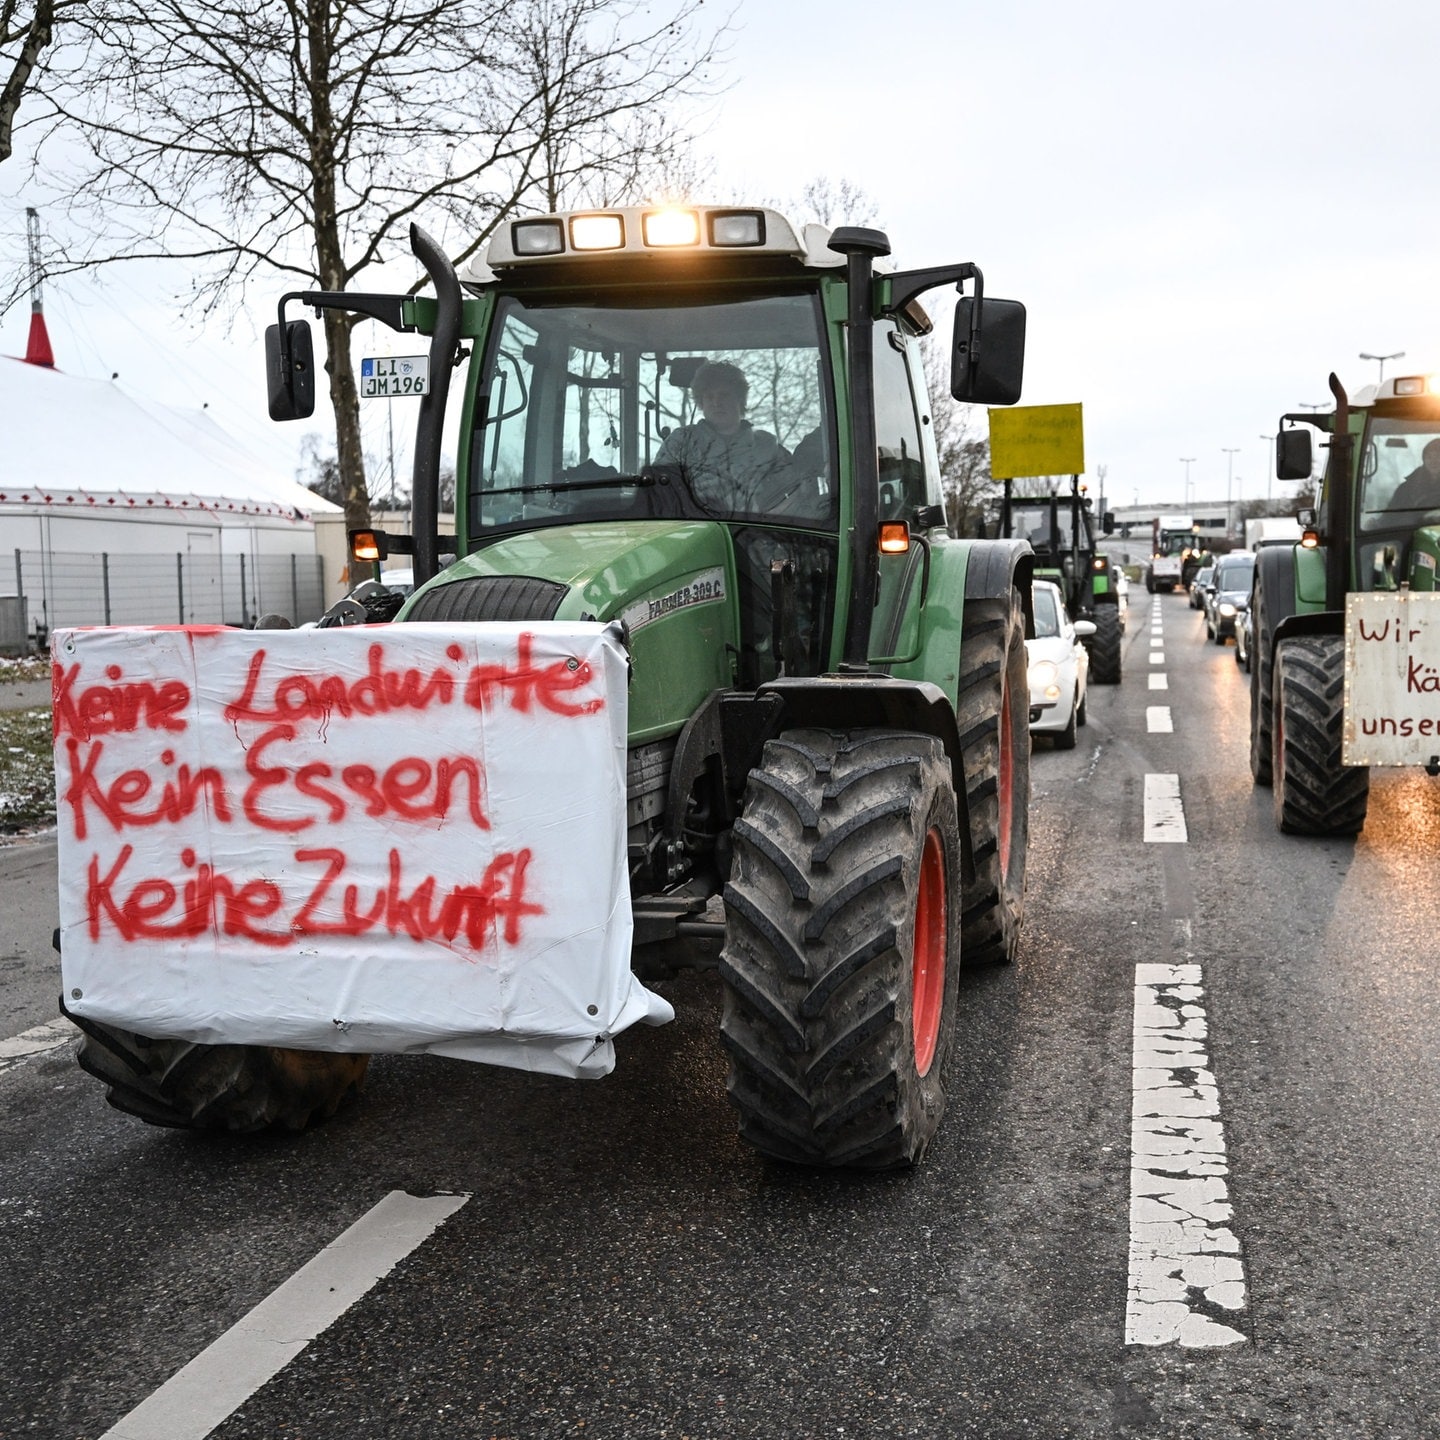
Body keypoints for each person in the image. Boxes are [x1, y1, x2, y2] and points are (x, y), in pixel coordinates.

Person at [655, 360, 797, 512]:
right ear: (700, 402)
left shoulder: (767, 447)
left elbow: (798, 492)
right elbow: (658, 493)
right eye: (709, 396)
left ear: (740, 399)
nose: (717, 402)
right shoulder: (681, 443)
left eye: (724, 395)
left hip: (755, 531)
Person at [1389, 437, 1440, 512]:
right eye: (1429, 457)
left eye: (1438, 456)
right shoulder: (1406, 489)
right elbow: (1390, 518)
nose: (1433, 461)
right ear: (1424, 459)